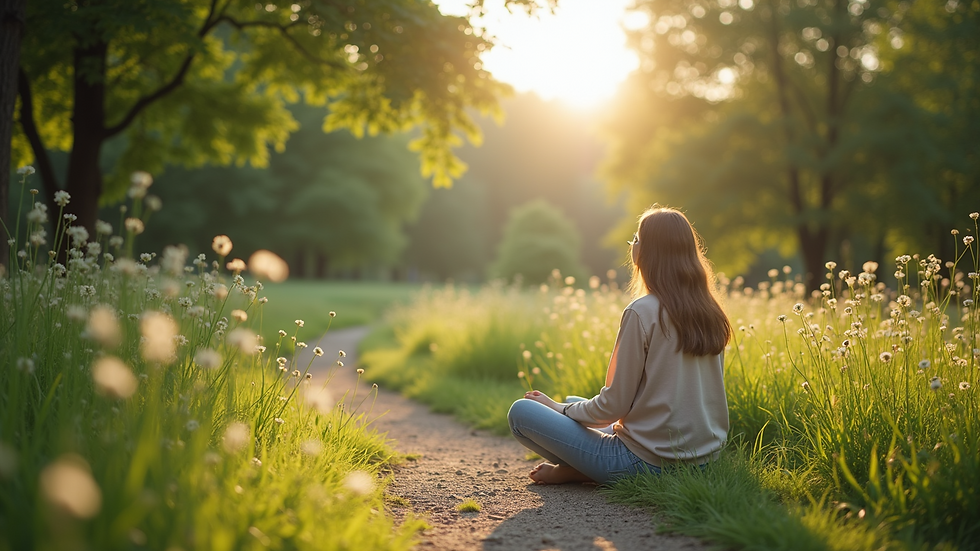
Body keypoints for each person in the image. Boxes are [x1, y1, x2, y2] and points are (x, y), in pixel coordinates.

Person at [507, 206, 732, 485]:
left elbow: (613, 406)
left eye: (636, 240)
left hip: (647, 462)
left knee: (522, 412)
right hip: (704, 461)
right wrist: (566, 408)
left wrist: (555, 408)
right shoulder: (710, 310)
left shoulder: (642, 311)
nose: (632, 246)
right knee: (574, 403)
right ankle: (584, 466)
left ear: (650, 252)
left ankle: (584, 471)